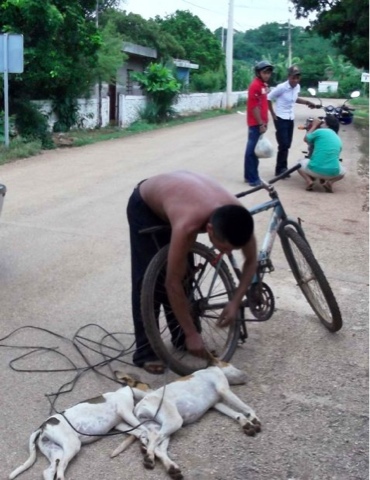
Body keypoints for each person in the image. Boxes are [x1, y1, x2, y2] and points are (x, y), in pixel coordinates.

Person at [127, 171, 257, 374]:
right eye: (223, 247)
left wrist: (235, 301)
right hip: (146, 206)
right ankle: (146, 351)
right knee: (149, 280)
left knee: (185, 275)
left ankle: (182, 340)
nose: (225, 253)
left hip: (181, 199)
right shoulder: (188, 224)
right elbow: (172, 282)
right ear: (210, 230)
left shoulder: (239, 219)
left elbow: (251, 261)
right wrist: (192, 333)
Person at [268, 65, 317, 176]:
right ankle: (280, 170)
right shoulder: (281, 87)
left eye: (297, 78)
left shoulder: (297, 87)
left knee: (287, 144)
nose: (295, 80)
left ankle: (283, 168)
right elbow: (268, 97)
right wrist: (272, 113)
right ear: (288, 76)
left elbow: (295, 99)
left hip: (290, 118)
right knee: (283, 144)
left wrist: (307, 102)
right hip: (280, 118)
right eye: (293, 77)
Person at [244, 60, 274, 186]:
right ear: (258, 73)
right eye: (264, 72)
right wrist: (261, 123)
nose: (267, 75)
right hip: (255, 123)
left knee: (255, 150)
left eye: (269, 73)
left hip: (260, 122)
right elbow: (254, 107)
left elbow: (263, 103)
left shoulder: (262, 85)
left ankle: (250, 175)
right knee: (252, 151)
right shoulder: (255, 86)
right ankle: (252, 179)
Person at [297, 115, 345, 193]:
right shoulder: (338, 138)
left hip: (315, 170)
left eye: (323, 122)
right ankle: (329, 182)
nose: (321, 124)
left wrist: (314, 125)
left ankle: (309, 181)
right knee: (343, 172)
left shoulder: (320, 131)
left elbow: (306, 139)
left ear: (327, 125)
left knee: (299, 163)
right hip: (332, 173)